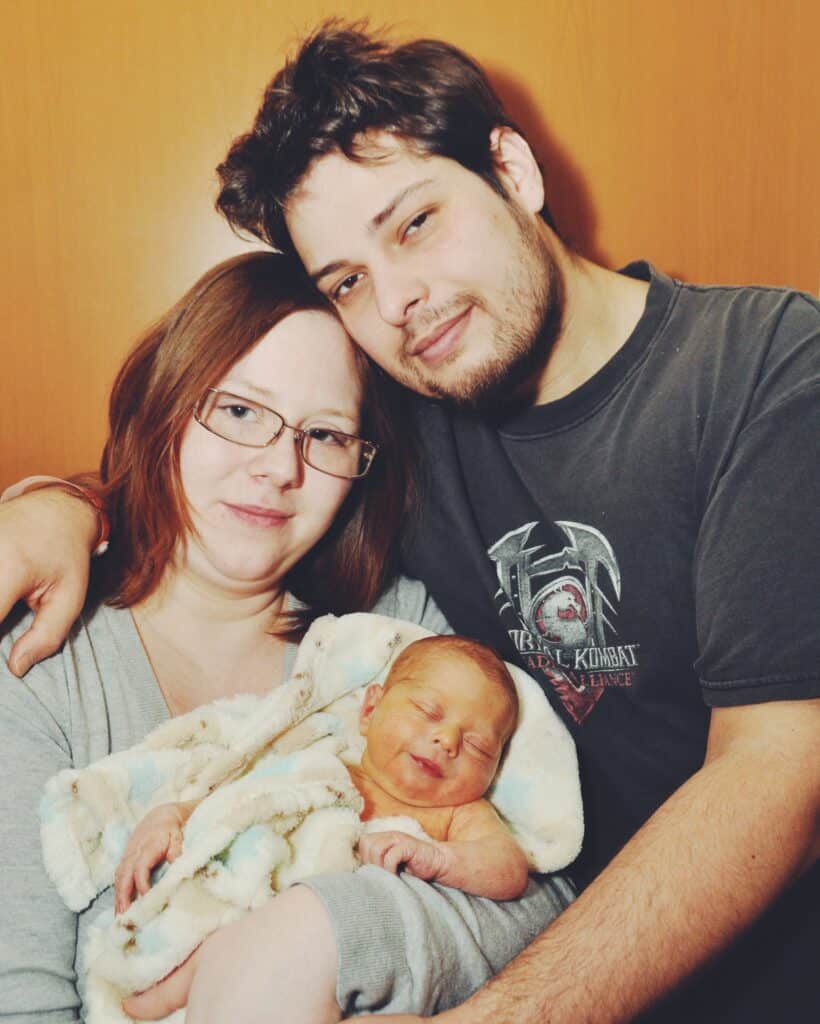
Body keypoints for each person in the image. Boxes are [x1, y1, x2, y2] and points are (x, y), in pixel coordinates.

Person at [1, 19, 818, 1024]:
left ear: (511, 169)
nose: (397, 302)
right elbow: (241, 469)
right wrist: (55, 508)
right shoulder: (404, 414)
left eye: (415, 223)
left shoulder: (762, 367)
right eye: (346, 278)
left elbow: (780, 773)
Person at [0, 250, 571, 1022]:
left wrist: (319, 936)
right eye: (238, 411)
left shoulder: (400, 638)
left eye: (327, 434)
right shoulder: (45, 658)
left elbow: (546, 902)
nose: (279, 468)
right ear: (164, 406)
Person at [112, 635, 530, 1022]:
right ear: (369, 711)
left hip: (325, 965)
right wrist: (174, 815)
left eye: (477, 746)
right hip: (248, 919)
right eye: (427, 712)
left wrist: (440, 859)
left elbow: (508, 868)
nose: (447, 741)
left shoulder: (457, 813)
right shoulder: (320, 763)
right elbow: (240, 803)